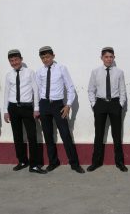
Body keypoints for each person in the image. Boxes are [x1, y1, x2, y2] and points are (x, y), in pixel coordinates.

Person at [36, 46, 85, 174]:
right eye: (42, 58)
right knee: (48, 135)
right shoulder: (40, 71)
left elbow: (70, 88)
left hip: (58, 105)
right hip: (44, 104)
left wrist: (68, 105)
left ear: (53, 56)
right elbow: (38, 90)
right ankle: (53, 162)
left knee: (65, 134)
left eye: (47, 57)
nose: (45, 60)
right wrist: (37, 107)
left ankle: (74, 163)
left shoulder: (61, 69)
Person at [3, 49, 47, 174]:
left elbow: (36, 91)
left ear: (21, 59)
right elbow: (6, 93)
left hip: (27, 108)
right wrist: (6, 110)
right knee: (17, 136)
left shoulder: (29, 73)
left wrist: (36, 108)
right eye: (11, 61)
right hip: (13, 108)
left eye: (16, 60)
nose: (14, 62)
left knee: (32, 136)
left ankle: (33, 165)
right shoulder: (9, 75)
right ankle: (22, 160)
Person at [87, 47, 128, 172]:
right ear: (102, 58)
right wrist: (94, 104)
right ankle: (96, 162)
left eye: (111, 57)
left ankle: (119, 162)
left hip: (115, 104)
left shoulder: (119, 72)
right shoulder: (95, 72)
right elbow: (90, 89)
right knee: (99, 134)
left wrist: (120, 104)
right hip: (100, 104)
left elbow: (122, 90)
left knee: (117, 134)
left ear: (114, 58)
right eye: (106, 57)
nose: (109, 59)